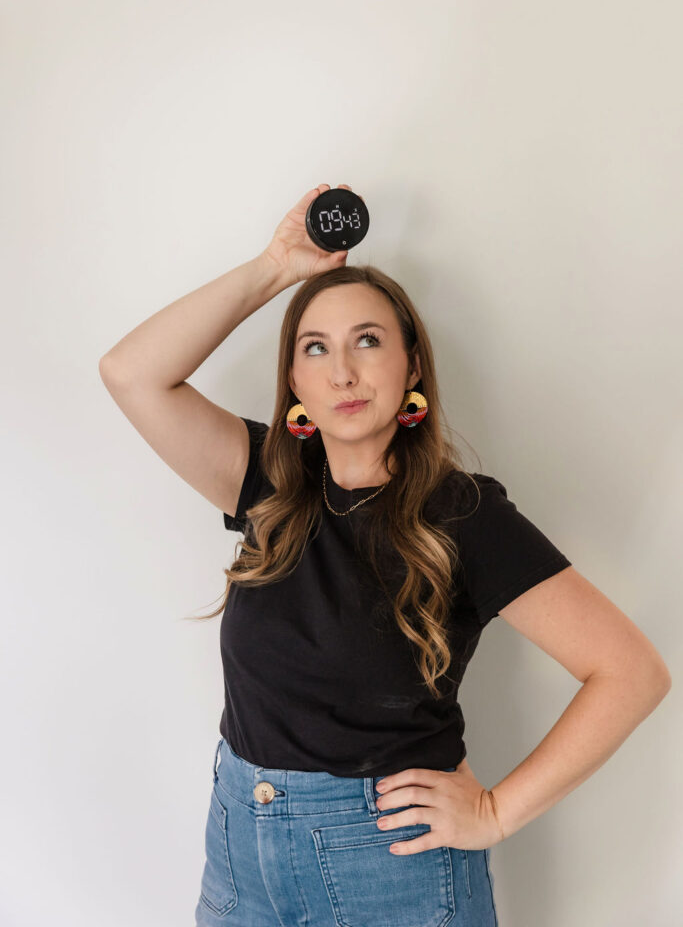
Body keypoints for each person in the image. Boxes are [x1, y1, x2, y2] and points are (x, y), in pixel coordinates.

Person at [99, 183, 672, 927]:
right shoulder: (264, 478)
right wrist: (277, 266)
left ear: (411, 370)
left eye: (367, 341)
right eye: (316, 349)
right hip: (240, 850)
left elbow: (630, 672)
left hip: (388, 864)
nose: (342, 372)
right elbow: (130, 372)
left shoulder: (463, 514)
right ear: (295, 384)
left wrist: (496, 812)